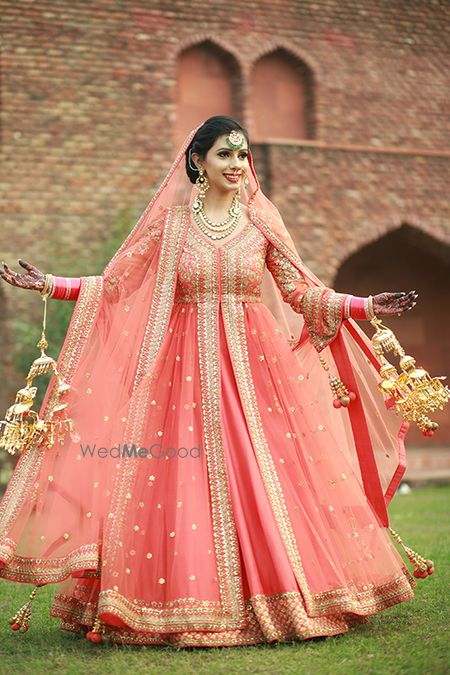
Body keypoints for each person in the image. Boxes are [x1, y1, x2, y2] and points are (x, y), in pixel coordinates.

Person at [0, 116, 421, 647]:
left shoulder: (263, 223)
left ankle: (286, 594)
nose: (237, 166)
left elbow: (299, 290)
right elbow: (118, 282)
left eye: (243, 156)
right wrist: (51, 284)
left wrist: (361, 305)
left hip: (256, 372)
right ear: (198, 161)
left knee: (265, 473)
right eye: (225, 155)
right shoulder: (172, 225)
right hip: (181, 375)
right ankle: (172, 602)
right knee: (178, 481)